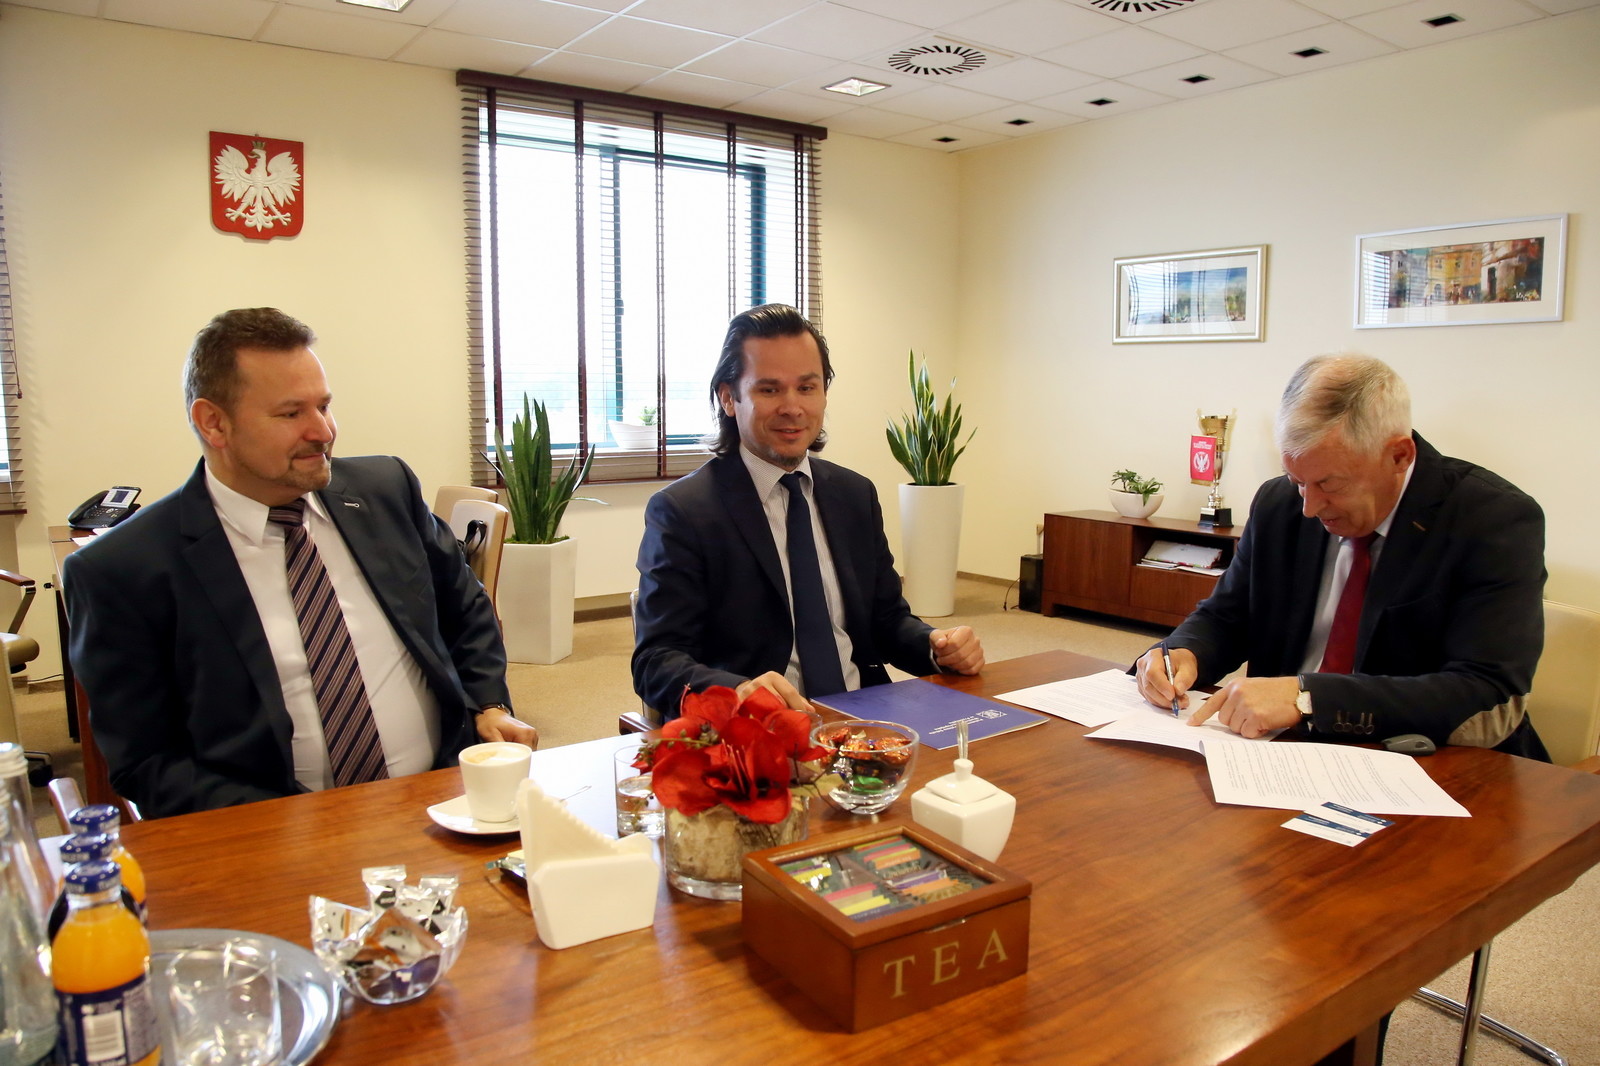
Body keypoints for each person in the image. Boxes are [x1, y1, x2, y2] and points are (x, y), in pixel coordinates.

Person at [64, 308, 536, 818]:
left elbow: (464, 607)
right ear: (213, 423)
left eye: (324, 406)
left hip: (443, 801)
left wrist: (488, 705)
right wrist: (301, 828)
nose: (323, 431)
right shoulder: (122, 569)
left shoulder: (385, 489)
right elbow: (148, 762)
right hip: (271, 832)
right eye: (291, 414)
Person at [1134, 353, 1548, 759]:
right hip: (1273, 753)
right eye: (1298, 480)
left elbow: (1488, 692)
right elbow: (1228, 616)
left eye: (1329, 484)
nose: (1309, 507)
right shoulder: (1279, 504)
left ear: (1399, 456)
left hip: (1429, 762)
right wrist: (1184, 652)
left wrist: (1308, 699)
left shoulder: (1492, 518)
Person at [632, 303, 984, 718]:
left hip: (865, 721)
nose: (792, 407)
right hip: (763, 730)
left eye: (806, 387)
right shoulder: (684, 511)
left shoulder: (854, 495)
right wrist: (738, 690)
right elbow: (656, 661)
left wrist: (936, 646)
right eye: (769, 390)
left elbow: (886, 620)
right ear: (729, 398)